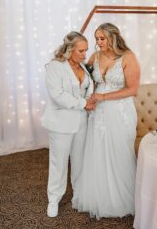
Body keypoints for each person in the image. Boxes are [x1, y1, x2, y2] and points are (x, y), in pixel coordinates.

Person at [72, 23, 140, 218]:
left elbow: (132, 89)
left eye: (102, 38)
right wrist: (88, 98)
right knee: (97, 151)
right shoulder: (95, 56)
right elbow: (87, 81)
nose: (98, 42)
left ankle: (121, 198)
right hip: (98, 112)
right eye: (97, 38)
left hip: (120, 111)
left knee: (118, 150)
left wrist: (103, 97)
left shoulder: (128, 57)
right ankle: (98, 196)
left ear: (113, 37)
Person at [41, 31, 94, 218]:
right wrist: (83, 103)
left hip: (82, 122)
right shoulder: (55, 67)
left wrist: (89, 100)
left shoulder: (83, 67)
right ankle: (53, 199)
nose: (84, 55)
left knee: (80, 162)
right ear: (70, 49)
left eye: (86, 50)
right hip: (61, 123)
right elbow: (57, 95)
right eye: (81, 51)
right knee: (59, 163)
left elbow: (87, 89)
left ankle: (78, 196)